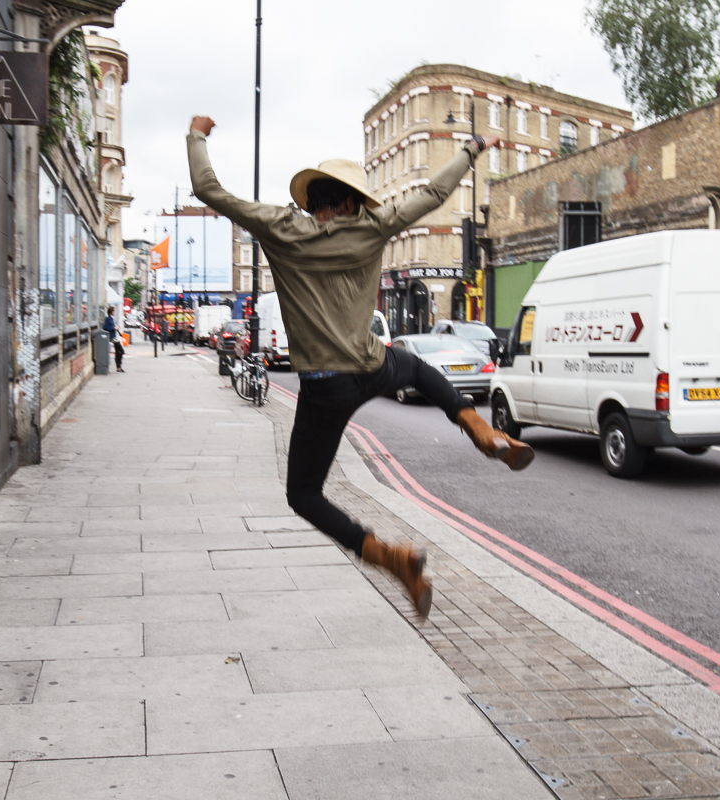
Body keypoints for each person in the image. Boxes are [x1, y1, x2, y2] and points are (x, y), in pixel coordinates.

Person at [187, 115, 533, 619]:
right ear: (350, 201)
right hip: (371, 366)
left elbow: (207, 188)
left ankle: (391, 559)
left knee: (304, 494)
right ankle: (481, 430)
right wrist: (473, 146)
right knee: (413, 368)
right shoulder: (374, 227)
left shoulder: (281, 230)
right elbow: (435, 194)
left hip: (323, 388)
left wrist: (198, 135)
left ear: (317, 200)